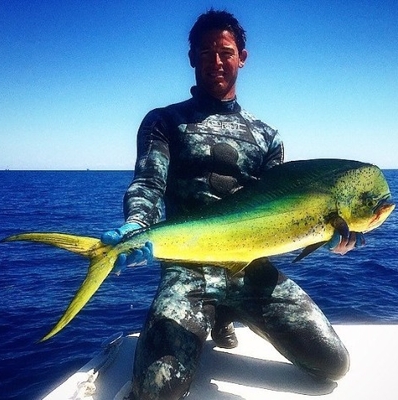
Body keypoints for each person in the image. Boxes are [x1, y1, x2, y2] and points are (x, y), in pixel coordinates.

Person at [102, 10, 360, 400]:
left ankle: (231, 310)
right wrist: (136, 224)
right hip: (188, 271)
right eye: (205, 52)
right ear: (192, 58)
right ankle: (215, 310)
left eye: (225, 51)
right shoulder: (163, 122)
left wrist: (328, 234)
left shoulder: (267, 136)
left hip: (252, 269)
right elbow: (148, 183)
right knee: (156, 392)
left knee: (332, 365)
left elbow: (285, 214)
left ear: (242, 57)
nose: (216, 61)